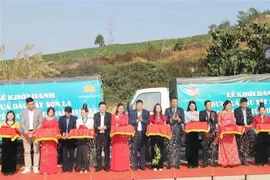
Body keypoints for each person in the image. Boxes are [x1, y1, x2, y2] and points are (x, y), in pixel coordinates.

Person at [20, 97, 43, 174]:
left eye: (33, 103)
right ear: (27, 104)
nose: (32, 105)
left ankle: (35, 167)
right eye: (30, 104)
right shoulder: (23, 112)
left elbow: (41, 122)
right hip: (26, 133)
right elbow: (22, 123)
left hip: (35, 132)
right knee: (27, 151)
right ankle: (28, 167)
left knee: (36, 150)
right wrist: (26, 130)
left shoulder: (38, 111)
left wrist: (35, 130)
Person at [217, 100, 241, 167]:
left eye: (230, 106)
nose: (229, 107)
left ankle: (232, 162)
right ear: (225, 105)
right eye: (228, 105)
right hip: (224, 133)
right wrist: (223, 127)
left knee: (232, 148)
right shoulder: (220, 113)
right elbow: (219, 122)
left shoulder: (231, 113)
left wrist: (233, 127)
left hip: (231, 133)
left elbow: (233, 122)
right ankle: (224, 162)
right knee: (224, 147)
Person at [129, 99, 150, 171]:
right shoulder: (132, 112)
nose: (139, 106)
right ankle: (135, 165)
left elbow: (148, 122)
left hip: (143, 133)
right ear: (136, 105)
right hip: (135, 133)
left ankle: (142, 165)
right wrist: (137, 120)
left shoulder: (146, 112)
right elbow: (130, 122)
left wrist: (142, 120)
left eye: (141, 105)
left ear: (142, 105)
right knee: (134, 149)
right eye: (138, 105)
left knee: (143, 149)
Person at [165, 97, 185, 170]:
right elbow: (166, 120)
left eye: (175, 102)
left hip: (178, 130)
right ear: (171, 102)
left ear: (177, 102)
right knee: (169, 147)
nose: (174, 103)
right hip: (170, 130)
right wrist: (170, 119)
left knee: (177, 147)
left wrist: (178, 119)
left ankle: (177, 164)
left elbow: (183, 120)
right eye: (173, 102)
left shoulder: (180, 110)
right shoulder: (167, 110)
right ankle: (169, 164)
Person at [111, 103, 130, 172]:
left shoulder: (126, 116)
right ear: (117, 109)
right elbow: (112, 126)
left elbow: (127, 125)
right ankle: (116, 167)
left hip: (124, 137)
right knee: (117, 152)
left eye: (122, 109)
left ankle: (124, 166)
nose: (121, 110)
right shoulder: (113, 116)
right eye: (120, 108)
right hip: (116, 137)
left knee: (123, 152)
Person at [76, 104, 94, 174]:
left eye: (83, 113)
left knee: (86, 153)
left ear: (87, 113)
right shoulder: (78, 120)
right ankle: (81, 167)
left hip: (87, 139)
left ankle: (86, 167)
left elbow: (91, 128)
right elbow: (77, 129)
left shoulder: (91, 120)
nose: (82, 114)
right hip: (80, 139)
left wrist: (85, 128)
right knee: (80, 153)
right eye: (81, 113)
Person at [234, 97, 253, 166]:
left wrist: (250, 125)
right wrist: (244, 125)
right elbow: (238, 120)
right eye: (243, 104)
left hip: (247, 129)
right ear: (240, 104)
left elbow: (250, 119)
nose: (244, 105)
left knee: (246, 145)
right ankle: (239, 160)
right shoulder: (237, 110)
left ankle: (245, 160)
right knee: (239, 145)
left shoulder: (249, 110)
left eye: (245, 104)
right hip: (240, 129)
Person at [39, 107, 59, 174]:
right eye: (50, 112)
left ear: (53, 113)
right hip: (45, 140)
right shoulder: (44, 120)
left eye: (52, 112)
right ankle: (44, 169)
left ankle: (52, 169)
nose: (51, 113)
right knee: (45, 154)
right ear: (47, 112)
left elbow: (56, 129)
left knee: (52, 154)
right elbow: (42, 128)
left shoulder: (55, 120)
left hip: (52, 140)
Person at [94, 102, 112, 172]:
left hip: (106, 135)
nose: (103, 108)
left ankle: (106, 166)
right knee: (98, 151)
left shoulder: (109, 115)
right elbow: (94, 125)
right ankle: (99, 166)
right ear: (99, 107)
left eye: (104, 107)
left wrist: (106, 127)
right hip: (98, 135)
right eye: (101, 107)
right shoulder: (96, 115)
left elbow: (110, 125)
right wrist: (97, 127)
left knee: (106, 151)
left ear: (106, 107)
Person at [0, 110, 20, 176]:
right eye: (9, 115)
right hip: (5, 141)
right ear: (6, 116)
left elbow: (19, 131)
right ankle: (5, 170)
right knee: (5, 155)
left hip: (13, 141)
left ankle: (12, 170)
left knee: (12, 155)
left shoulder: (16, 123)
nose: (10, 116)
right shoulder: (3, 123)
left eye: (11, 115)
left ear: (14, 116)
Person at [199, 100, 218, 167]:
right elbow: (201, 121)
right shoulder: (202, 113)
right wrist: (206, 118)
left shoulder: (214, 113)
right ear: (205, 106)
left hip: (212, 132)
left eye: (210, 105)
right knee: (205, 148)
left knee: (213, 147)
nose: (209, 106)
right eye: (208, 105)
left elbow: (216, 122)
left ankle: (213, 162)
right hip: (205, 132)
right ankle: (205, 162)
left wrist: (212, 119)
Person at [149, 103, 167, 171]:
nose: (158, 109)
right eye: (157, 108)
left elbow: (165, 125)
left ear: (161, 109)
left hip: (161, 135)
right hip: (154, 135)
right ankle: (154, 165)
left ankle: (160, 165)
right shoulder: (152, 117)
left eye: (159, 108)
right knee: (154, 150)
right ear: (155, 109)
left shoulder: (163, 117)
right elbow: (150, 125)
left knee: (160, 150)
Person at [59, 106, 77, 173]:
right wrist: (62, 132)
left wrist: (70, 134)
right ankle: (64, 168)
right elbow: (59, 127)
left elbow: (75, 128)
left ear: (71, 113)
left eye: (69, 113)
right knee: (64, 154)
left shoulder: (74, 119)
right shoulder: (61, 118)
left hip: (71, 139)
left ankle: (70, 168)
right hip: (64, 139)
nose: (67, 114)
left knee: (71, 154)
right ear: (65, 112)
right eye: (66, 113)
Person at [185, 100, 200, 168]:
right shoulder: (186, 113)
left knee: (195, 148)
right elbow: (185, 121)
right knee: (189, 148)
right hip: (188, 132)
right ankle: (190, 163)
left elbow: (199, 122)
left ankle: (195, 163)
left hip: (195, 132)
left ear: (195, 106)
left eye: (193, 106)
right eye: (191, 106)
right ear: (189, 106)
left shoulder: (198, 113)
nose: (192, 107)